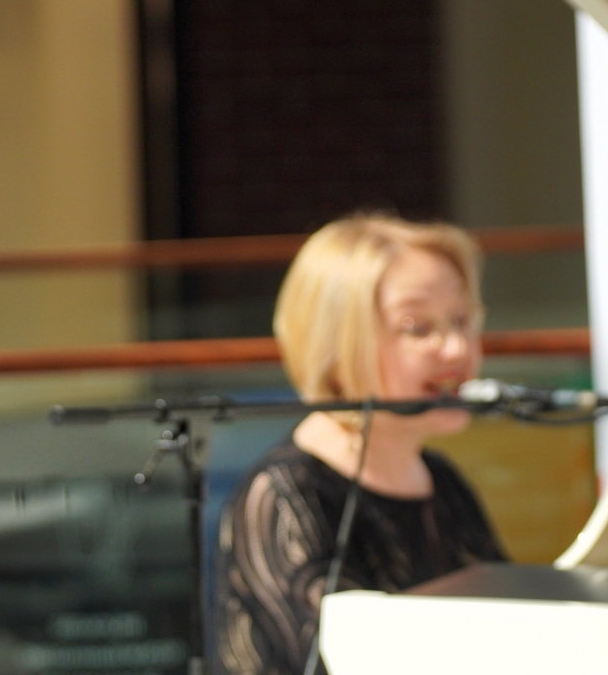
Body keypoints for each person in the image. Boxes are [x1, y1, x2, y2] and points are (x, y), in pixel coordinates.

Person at [212, 215, 506, 675]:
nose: (456, 349)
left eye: (462, 320)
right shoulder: (285, 494)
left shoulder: (442, 480)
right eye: (417, 327)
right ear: (336, 342)